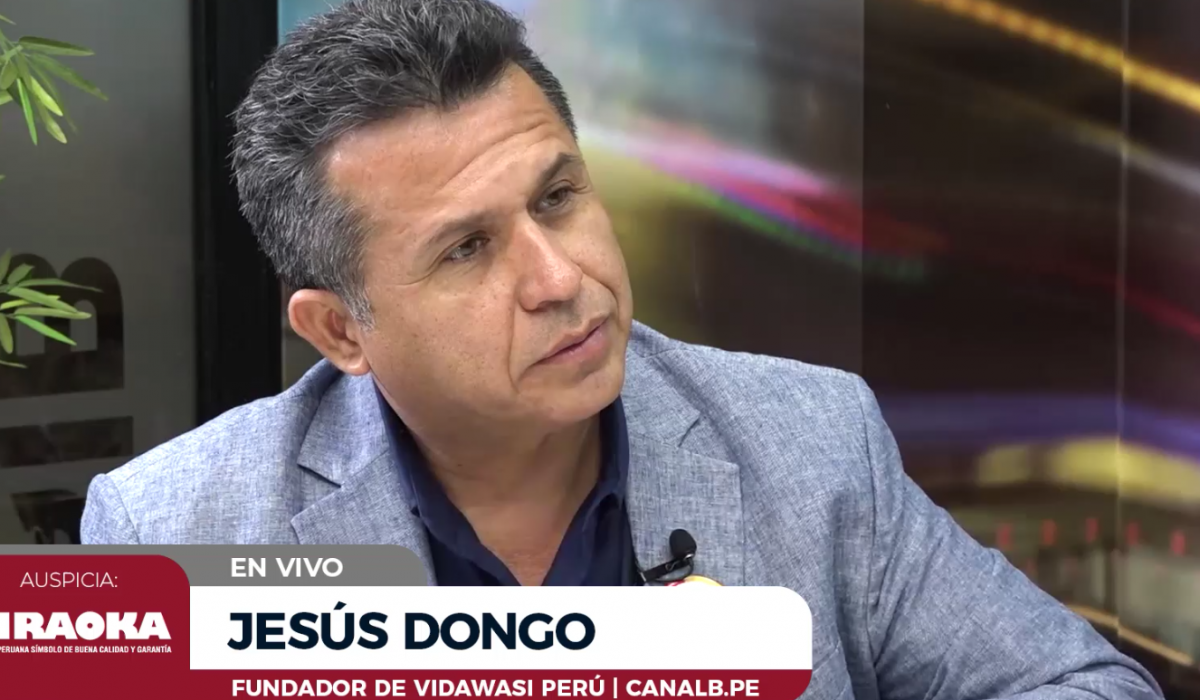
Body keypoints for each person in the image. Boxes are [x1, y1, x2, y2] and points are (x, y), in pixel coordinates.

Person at [81, 1, 1161, 698]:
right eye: (466, 249)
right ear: (341, 329)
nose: (561, 278)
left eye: (558, 196)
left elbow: (1089, 684)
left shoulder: (812, 442)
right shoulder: (176, 529)